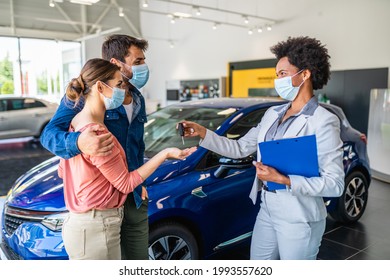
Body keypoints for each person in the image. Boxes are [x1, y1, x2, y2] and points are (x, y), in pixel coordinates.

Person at [180, 36, 345, 260]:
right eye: (277, 75)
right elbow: (239, 148)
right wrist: (203, 133)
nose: (278, 80)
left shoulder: (323, 120)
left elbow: (335, 184)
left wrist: (284, 179)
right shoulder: (272, 114)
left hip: (299, 214)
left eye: (283, 74)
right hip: (268, 207)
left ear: (305, 74)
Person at [59, 58, 195, 260]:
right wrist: (165, 154)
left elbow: (62, 171)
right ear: (99, 87)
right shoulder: (98, 134)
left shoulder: (75, 125)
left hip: (80, 225)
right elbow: (125, 183)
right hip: (98, 228)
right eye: (119, 84)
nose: (123, 90)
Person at [41, 35, 152, 260]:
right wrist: (78, 142)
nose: (144, 67)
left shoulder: (138, 98)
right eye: (138, 61)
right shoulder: (86, 95)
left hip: (134, 196)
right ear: (116, 63)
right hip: (103, 203)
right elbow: (49, 135)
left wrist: (141, 183)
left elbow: (136, 146)